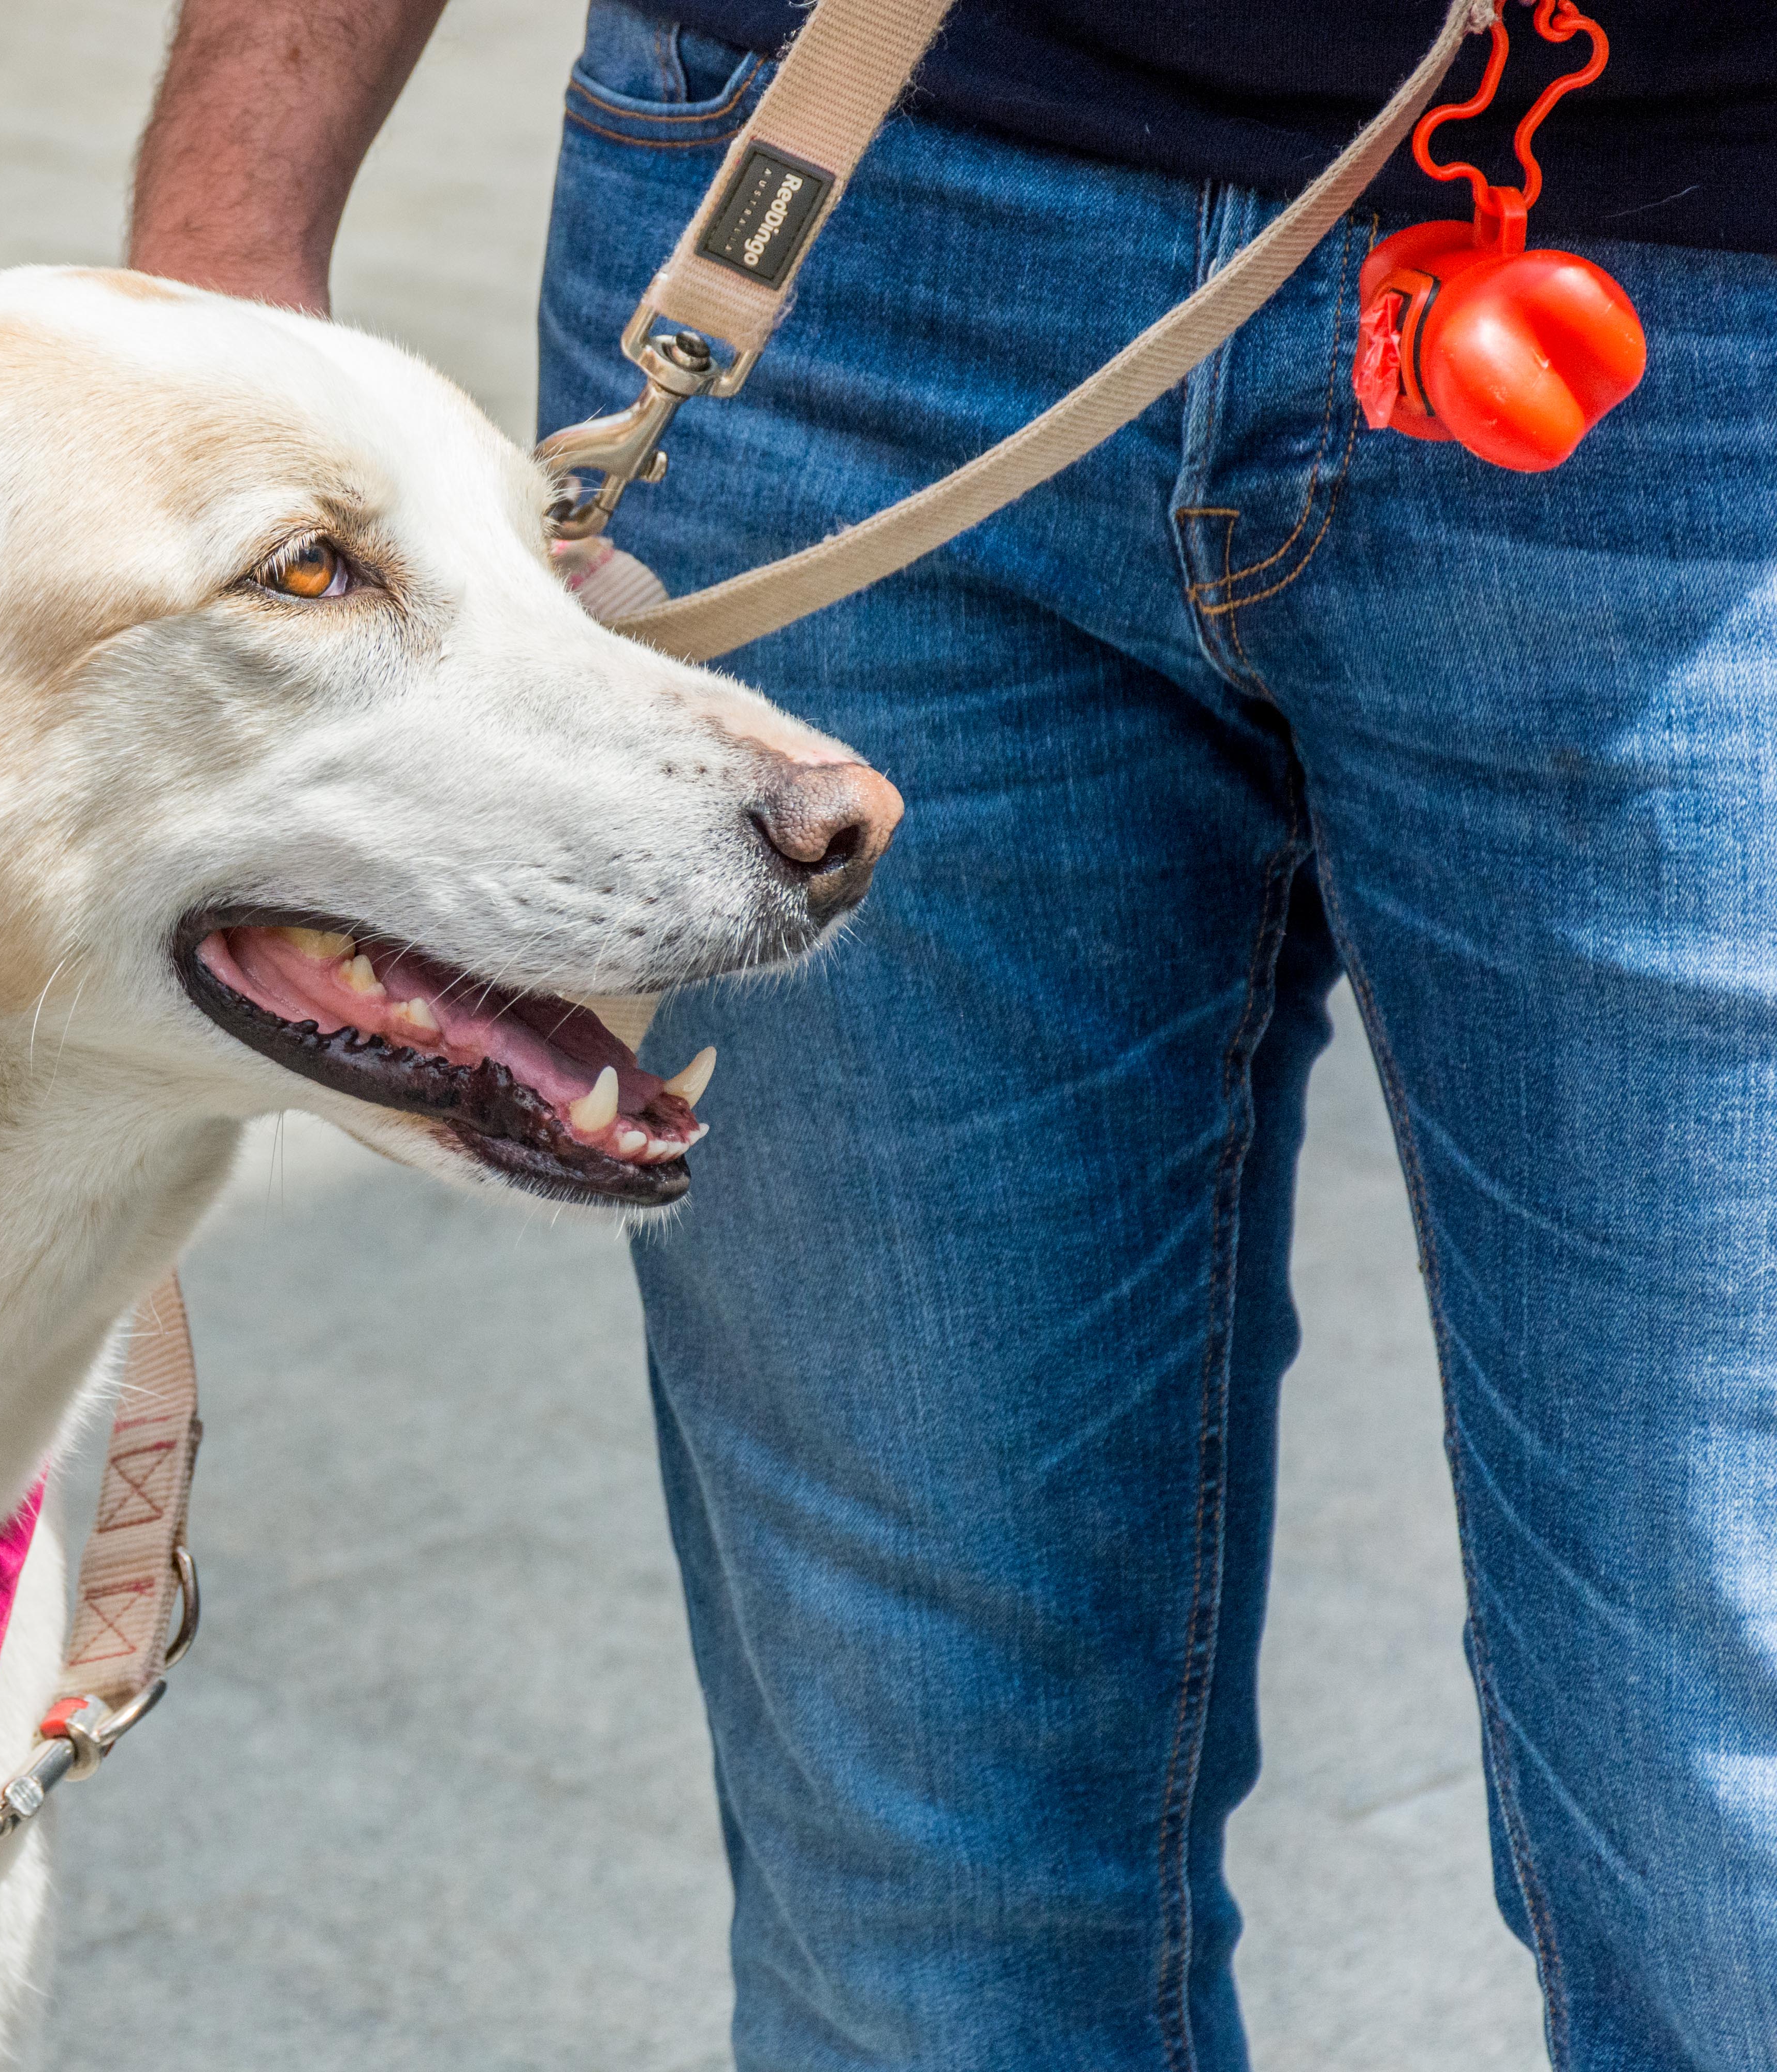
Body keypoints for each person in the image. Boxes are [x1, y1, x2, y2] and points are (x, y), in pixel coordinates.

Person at [127, 4, 1777, 2066]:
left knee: (1737, 1839)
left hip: (1705, 313)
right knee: (917, 1872)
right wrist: (219, 251)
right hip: (831, 209)